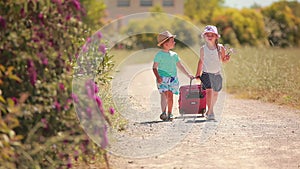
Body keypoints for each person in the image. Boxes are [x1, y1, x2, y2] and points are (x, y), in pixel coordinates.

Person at [153, 30, 193, 121]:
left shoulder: (174, 55)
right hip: (162, 78)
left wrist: (188, 74)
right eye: (172, 41)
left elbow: (180, 66)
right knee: (165, 95)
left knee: (169, 96)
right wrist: (158, 77)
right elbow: (154, 68)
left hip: (173, 79)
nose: (174, 42)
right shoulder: (159, 55)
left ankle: (169, 113)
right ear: (166, 44)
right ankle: (164, 112)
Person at [196, 25, 230, 120]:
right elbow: (201, 61)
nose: (210, 36)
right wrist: (198, 74)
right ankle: (211, 113)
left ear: (216, 37)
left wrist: (227, 59)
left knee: (215, 93)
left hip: (217, 74)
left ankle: (210, 109)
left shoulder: (220, 48)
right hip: (206, 74)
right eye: (208, 34)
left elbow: (223, 60)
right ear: (204, 37)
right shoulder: (203, 49)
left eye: (212, 34)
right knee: (209, 92)